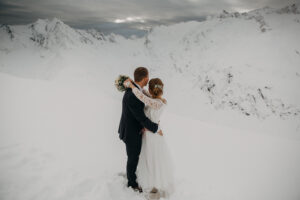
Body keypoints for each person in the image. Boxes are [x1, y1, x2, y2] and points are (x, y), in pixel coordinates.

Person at [123, 77, 175, 198]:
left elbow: (142, 97)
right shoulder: (156, 100)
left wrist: (132, 87)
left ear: (152, 90)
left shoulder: (156, 102)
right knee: (147, 159)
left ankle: (154, 185)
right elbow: (144, 93)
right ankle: (151, 184)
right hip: (149, 134)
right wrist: (133, 83)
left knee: (152, 160)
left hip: (153, 136)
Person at [118, 67, 163, 193]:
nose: (148, 80)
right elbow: (142, 118)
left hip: (132, 129)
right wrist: (156, 128)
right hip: (131, 132)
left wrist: (131, 84)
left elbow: (143, 97)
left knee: (134, 157)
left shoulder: (136, 90)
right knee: (133, 158)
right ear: (145, 78)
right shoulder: (133, 94)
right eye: (147, 78)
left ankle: (133, 178)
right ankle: (132, 184)